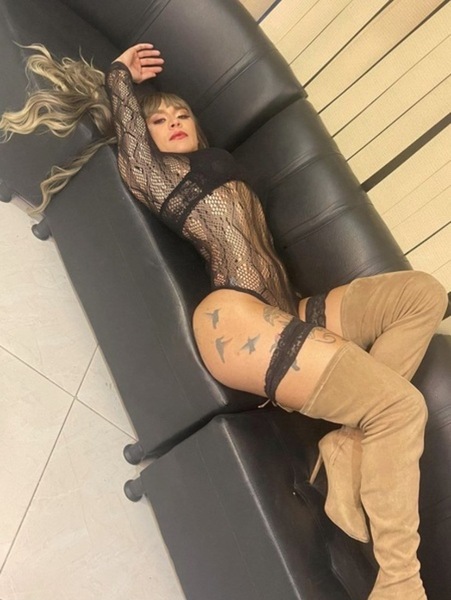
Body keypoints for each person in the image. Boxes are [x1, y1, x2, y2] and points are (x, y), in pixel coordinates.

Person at [1, 42, 448, 600]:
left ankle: (347, 448)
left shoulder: (215, 162)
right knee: (401, 407)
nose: (173, 122)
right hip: (237, 320)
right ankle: (400, 582)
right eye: (159, 121)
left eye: (182, 114)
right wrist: (119, 76)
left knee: (422, 294)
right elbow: (135, 157)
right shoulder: (163, 176)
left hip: (289, 309)